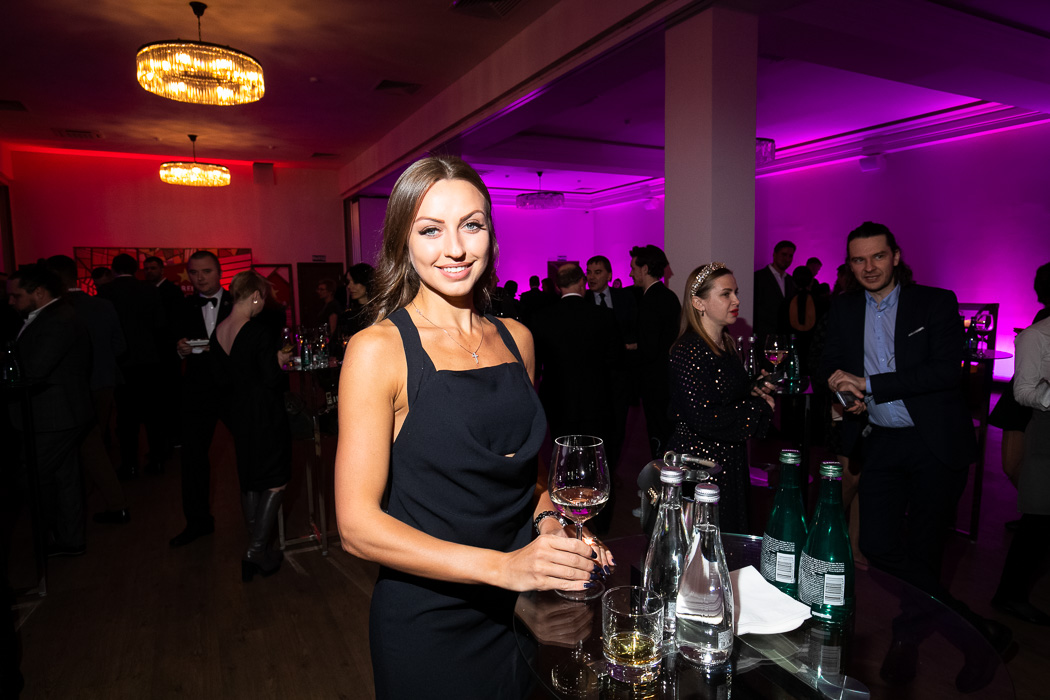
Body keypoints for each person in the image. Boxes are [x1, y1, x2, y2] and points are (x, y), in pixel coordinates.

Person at [333, 156, 613, 700]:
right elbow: (357, 527)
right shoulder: (378, 349)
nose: (456, 248)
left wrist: (551, 524)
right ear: (403, 241)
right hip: (430, 621)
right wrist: (505, 568)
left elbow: (519, 481)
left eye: (472, 224)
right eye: (430, 230)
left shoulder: (517, 339)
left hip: (520, 608)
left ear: (491, 233)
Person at [822, 221, 1011, 652]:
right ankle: (973, 629)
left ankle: (906, 641)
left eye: (878, 256)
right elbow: (830, 364)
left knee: (925, 550)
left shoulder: (934, 303)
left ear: (896, 256)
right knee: (875, 544)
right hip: (882, 440)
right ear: (849, 265)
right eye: (858, 260)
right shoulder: (845, 308)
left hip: (934, 442)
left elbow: (945, 372)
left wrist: (869, 384)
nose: (869, 267)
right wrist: (844, 394)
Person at [663, 263, 773, 535]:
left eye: (736, 292)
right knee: (703, 541)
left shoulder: (726, 342)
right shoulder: (689, 349)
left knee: (729, 536)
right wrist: (757, 408)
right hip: (699, 464)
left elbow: (724, 393)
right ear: (698, 302)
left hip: (727, 457)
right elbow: (704, 416)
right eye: (726, 294)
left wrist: (753, 388)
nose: (736, 300)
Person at [211, 271, 293, 581]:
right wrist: (279, 361)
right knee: (276, 480)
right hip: (265, 414)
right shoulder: (258, 332)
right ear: (256, 296)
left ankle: (256, 549)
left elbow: (221, 379)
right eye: (263, 299)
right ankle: (256, 551)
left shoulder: (219, 331)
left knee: (250, 480)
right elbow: (271, 378)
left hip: (239, 415)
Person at [7, 264, 93, 556]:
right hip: (58, 413)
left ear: (39, 292)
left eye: (16, 295)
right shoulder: (51, 316)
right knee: (64, 477)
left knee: (32, 475)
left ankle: (49, 536)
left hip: (55, 415)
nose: (11, 301)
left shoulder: (58, 319)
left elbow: (35, 369)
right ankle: (70, 539)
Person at [45, 255, 129, 524]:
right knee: (92, 444)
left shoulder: (56, 310)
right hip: (104, 382)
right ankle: (100, 501)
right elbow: (119, 346)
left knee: (87, 448)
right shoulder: (102, 305)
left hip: (73, 389)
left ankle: (106, 504)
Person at [169, 250, 234, 548]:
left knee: (251, 452)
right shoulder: (182, 307)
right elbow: (169, 342)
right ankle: (197, 522)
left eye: (206, 271)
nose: (200, 278)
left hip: (233, 389)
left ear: (219, 272)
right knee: (193, 459)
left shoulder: (238, 303)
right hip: (196, 391)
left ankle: (258, 522)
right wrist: (179, 348)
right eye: (194, 272)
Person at [992, 313, 1050, 625]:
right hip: (1044, 431)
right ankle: (1009, 595)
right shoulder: (1036, 336)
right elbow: (1023, 393)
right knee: (1037, 520)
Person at [97, 253, 166, 479]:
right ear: (136, 269)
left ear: (114, 270)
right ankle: (157, 459)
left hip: (122, 361)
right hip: (149, 359)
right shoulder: (149, 289)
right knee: (153, 413)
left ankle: (130, 464)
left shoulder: (106, 291)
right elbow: (159, 325)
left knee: (126, 416)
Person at [629, 243, 681, 458]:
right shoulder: (670, 297)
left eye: (633, 268)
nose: (630, 273)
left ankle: (663, 473)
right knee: (670, 433)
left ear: (645, 268)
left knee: (658, 433)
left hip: (655, 381)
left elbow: (649, 349)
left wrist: (629, 353)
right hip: (670, 377)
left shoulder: (649, 300)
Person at [753, 240, 796, 343]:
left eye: (790, 256)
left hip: (785, 338)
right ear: (774, 254)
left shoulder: (791, 281)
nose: (787, 259)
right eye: (784, 254)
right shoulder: (758, 277)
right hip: (763, 337)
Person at [336, 263, 375, 340]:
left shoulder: (378, 313)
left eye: (355, 282)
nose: (349, 286)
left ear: (366, 282)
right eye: (348, 282)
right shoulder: (347, 315)